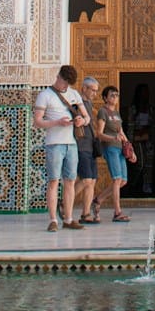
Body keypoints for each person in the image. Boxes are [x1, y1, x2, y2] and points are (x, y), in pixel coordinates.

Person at [32, 64, 87, 232]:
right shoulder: (45, 95)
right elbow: (37, 122)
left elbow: (87, 118)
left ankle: (69, 218)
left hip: (71, 143)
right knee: (54, 181)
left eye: (68, 84)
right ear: (59, 77)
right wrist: (57, 122)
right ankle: (53, 220)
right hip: (54, 143)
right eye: (65, 83)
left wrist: (80, 121)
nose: (66, 87)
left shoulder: (74, 94)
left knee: (70, 181)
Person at [94, 85, 133, 222]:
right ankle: (117, 212)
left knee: (123, 180)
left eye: (116, 95)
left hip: (120, 148)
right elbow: (99, 133)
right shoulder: (102, 112)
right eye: (112, 95)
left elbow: (121, 132)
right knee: (116, 179)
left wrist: (130, 149)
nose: (115, 98)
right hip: (110, 148)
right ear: (105, 98)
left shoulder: (116, 113)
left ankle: (99, 199)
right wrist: (112, 138)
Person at [74, 75, 102, 225]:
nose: (95, 93)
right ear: (84, 88)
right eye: (93, 90)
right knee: (85, 180)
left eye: (96, 91)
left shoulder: (89, 104)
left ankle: (85, 214)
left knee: (91, 180)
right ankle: (64, 204)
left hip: (90, 146)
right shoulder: (77, 104)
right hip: (81, 146)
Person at [128, 83, 154, 195]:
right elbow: (130, 125)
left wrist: (154, 137)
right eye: (143, 92)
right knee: (140, 163)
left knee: (149, 164)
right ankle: (133, 184)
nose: (145, 94)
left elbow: (153, 124)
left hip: (148, 139)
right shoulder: (133, 108)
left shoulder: (149, 108)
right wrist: (129, 141)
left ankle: (146, 186)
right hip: (136, 139)